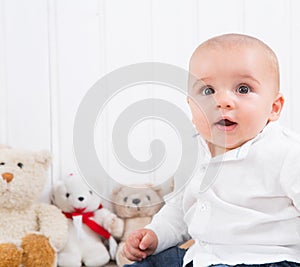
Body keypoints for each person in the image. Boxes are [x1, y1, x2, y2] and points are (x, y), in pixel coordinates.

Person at [122, 33, 300, 267]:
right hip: (203, 256)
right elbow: (179, 211)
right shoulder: (193, 153)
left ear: (274, 108)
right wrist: (155, 235)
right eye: (207, 91)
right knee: (149, 264)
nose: (222, 101)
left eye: (243, 89)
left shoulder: (285, 152)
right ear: (190, 105)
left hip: (269, 258)